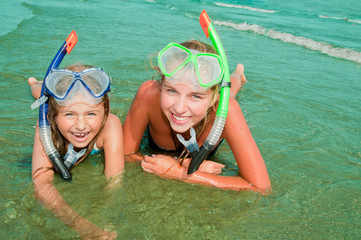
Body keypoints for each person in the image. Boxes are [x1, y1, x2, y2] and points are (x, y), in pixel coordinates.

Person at [123, 40, 271, 193]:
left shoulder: (226, 110)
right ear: (162, 83)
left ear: (214, 96)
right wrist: (181, 164)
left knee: (231, 92)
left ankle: (238, 74)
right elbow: (124, 155)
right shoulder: (148, 94)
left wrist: (180, 173)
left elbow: (261, 187)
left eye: (196, 96)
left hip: (221, 102)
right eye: (172, 91)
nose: (179, 108)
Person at [29, 63, 124, 239]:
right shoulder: (45, 126)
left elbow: (115, 180)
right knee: (39, 92)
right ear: (53, 115)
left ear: (105, 111)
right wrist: (82, 226)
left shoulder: (111, 124)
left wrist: (105, 217)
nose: (81, 126)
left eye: (91, 114)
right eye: (69, 114)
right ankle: (34, 82)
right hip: (48, 98)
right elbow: (41, 183)